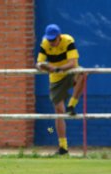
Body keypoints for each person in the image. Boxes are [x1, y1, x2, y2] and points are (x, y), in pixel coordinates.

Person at [35, 24, 87, 155]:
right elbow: (39, 64)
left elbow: (73, 63)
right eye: (50, 40)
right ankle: (63, 147)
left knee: (82, 73)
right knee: (59, 112)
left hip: (70, 73)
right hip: (55, 79)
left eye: (54, 40)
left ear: (59, 36)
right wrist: (47, 67)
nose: (51, 42)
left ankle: (72, 105)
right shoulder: (45, 43)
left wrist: (57, 68)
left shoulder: (68, 40)